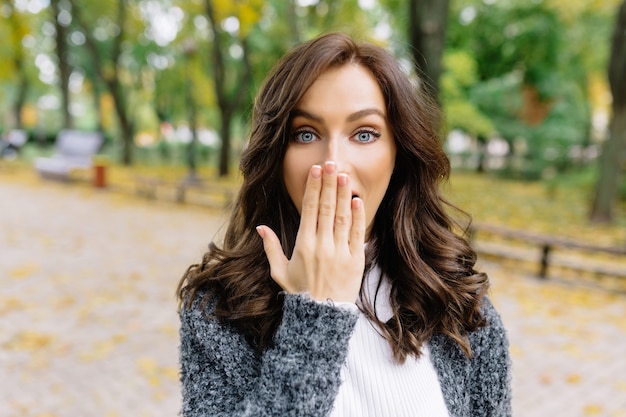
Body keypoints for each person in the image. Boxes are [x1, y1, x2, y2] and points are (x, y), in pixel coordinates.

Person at [177, 32, 511, 417]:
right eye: (306, 134)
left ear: (398, 155)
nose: (332, 163)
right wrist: (318, 314)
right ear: (276, 155)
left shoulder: (459, 304)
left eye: (364, 134)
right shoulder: (219, 309)